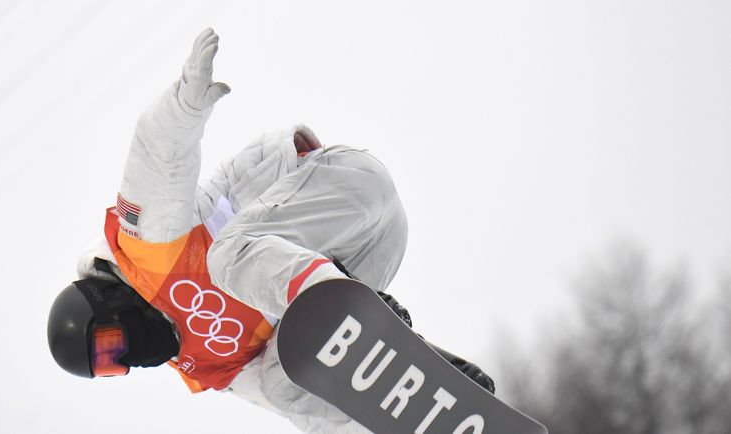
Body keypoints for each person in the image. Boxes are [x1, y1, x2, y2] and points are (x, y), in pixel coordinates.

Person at [47, 28, 493, 433]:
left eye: (110, 346)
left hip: (337, 190)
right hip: (373, 252)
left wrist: (183, 106)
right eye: (111, 369)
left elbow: (158, 156)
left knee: (226, 258)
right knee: (288, 381)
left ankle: (333, 296)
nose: (125, 360)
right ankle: (427, 395)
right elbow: (315, 408)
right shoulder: (205, 365)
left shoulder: (146, 248)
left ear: (107, 302)